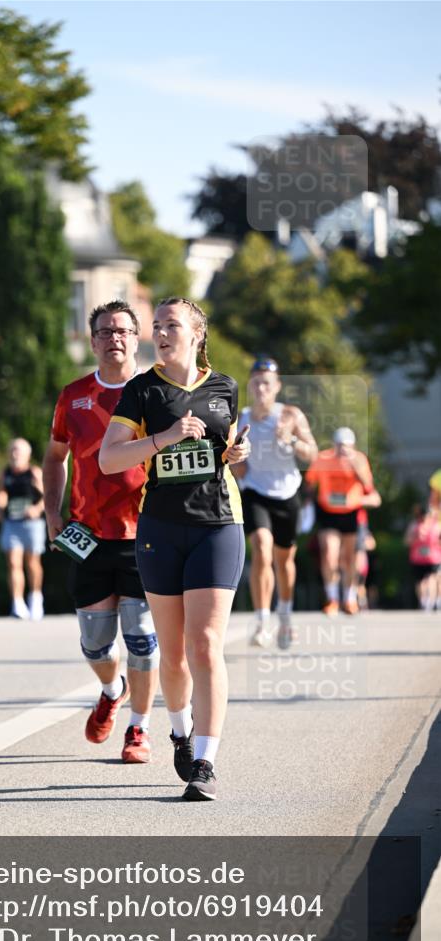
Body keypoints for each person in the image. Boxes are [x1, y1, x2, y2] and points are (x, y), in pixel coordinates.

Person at [99, 297, 250, 801]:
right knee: (174, 653)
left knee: (205, 644)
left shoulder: (225, 387)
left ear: (196, 334)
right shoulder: (142, 390)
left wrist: (237, 453)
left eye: (172, 325)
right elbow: (108, 459)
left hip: (218, 524)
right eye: (157, 325)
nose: (161, 334)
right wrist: (163, 437)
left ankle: (205, 760)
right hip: (161, 528)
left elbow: (228, 455)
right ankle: (181, 731)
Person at [43, 300, 159, 764]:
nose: (115, 338)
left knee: (142, 639)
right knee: (95, 644)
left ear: (136, 339)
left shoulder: (154, 392)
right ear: (92, 342)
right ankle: (113, 690)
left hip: (145, 532)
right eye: (106, 331)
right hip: (87, 535)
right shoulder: (73, 396)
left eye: (123, 331)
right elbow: (55, 457)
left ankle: (139, 728)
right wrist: (52, 512)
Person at [232, 358, 317, 649]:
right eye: (256, 382)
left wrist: (291, 440)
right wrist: (236, 463)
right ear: (250, 385)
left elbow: (312, 454)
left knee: (284, 561)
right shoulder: (240, 418)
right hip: (255, 492)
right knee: (261, 548)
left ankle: (285, 617)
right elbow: (231, 461)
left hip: (287, 494)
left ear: (277, 386)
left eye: (267, 383)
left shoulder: (290, 415)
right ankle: (261, 621)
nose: (261, 388)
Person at [305, 427, 381, 615]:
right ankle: (332, 598)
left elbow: (369, 487)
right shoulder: (323, 459)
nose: (343, 450)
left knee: (351, 558)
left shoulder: (360, 459)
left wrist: (356, 469)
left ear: (353, 446)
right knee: (329, 554)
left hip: (352, 514)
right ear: (334, 445)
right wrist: (308, 504)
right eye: (340, 445)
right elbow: (309, 483)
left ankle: (349, 598)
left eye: (347, 446)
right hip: (328, 513)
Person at [0, 438, 46, 620]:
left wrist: (36, 509)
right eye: (12, 450)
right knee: (13, 563)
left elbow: (47, 497)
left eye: (18, 451)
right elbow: (2, 493)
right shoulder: (5, 473)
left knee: (32, 563)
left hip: (32, 524)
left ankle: (36, 599)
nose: (15, 454)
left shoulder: (34, 473)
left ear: (27, 455)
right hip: (12, 522)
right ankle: (17, 603)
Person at [405, 504, 441, 611]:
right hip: (419, 558)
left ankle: (430, 601)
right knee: (422, 581)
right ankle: (424, 600)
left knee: (431, 579)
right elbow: (407, 541)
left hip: (433, 558)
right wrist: (416, 537)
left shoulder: (436, 526)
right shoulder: (415, 526)